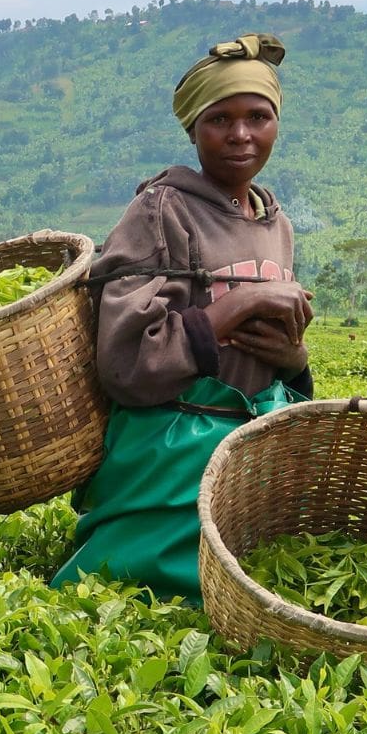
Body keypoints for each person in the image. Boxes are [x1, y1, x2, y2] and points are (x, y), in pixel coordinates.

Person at [53, 34, 314, 601]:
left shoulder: (276, 221)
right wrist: (235, 307)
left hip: (251, 442)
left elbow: (279, 354)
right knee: (141, 594)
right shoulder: (160, 211)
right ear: (193, 128)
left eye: (258, 117)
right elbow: (125, 362)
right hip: (173, 444)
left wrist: (294, 360)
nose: (241, 134)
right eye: (220, 118)